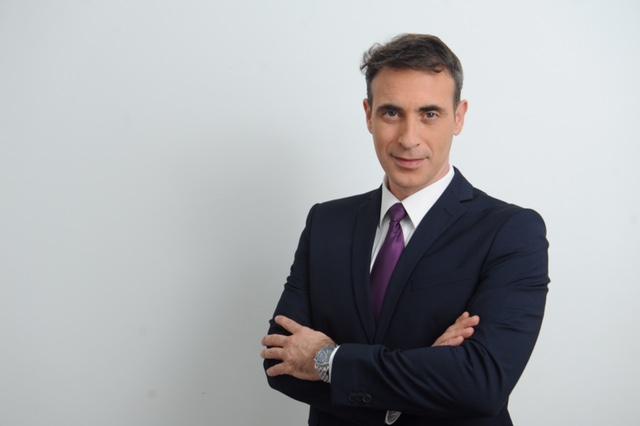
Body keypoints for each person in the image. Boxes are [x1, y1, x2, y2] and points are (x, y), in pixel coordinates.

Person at [260, 33, 549, 426]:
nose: (409, 138)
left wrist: (328, 360)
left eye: (429, 114)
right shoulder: (326, 223)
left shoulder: (511, 232)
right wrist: (429, 371)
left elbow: (481, 385)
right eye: (391, 113)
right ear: (368, 115)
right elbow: (280, 363)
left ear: (459, 117)